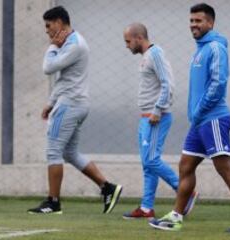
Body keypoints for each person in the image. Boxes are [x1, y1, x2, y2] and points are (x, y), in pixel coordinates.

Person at [149, 3, 230, 231]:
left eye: (198, 21)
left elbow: (218, 84)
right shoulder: (200, 49)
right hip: (200, 122)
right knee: (185, 166)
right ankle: (176, 216)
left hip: (213, 118)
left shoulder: (215, 47)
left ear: (210, 23)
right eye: (191, 21)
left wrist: (199, 111)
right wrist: (196, 116)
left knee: (225, 167)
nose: (193, 25)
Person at [27, 6, 122, 214]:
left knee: (53, 151)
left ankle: (53, 202)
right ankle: (108, 187)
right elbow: (65, 78)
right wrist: (51, 102)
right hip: (73, 103)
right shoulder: (71, 42)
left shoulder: (74, 44)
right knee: (69, 152)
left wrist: (52, 47)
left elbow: (48, 68)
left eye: (48, 25)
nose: (47, 30)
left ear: (59, 23)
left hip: (70, 105)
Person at [122, 23, 198, 219]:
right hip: (145, 117)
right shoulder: (146, 57)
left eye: (128, 41)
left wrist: (157, 110)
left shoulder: (155, 54)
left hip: (156, 117)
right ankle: (147, 208)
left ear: (139, 38)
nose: (127, 46)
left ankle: (185, 190)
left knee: (151, 159)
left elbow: (168, 83)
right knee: (147, 164)